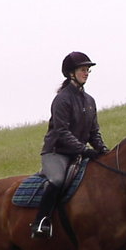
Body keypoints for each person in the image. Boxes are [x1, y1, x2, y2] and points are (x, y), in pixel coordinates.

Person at [31, 51, 109, 238]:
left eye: (88, 70)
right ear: (71, 73)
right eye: (83, 69)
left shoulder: (89, 101)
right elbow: (61, 132)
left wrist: (103, 150)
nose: (86, 73)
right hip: (56, 152)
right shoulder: (62, 99)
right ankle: (41, 222)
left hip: (77, 153)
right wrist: (84, 150)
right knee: (57, 180)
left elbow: (93, 132)